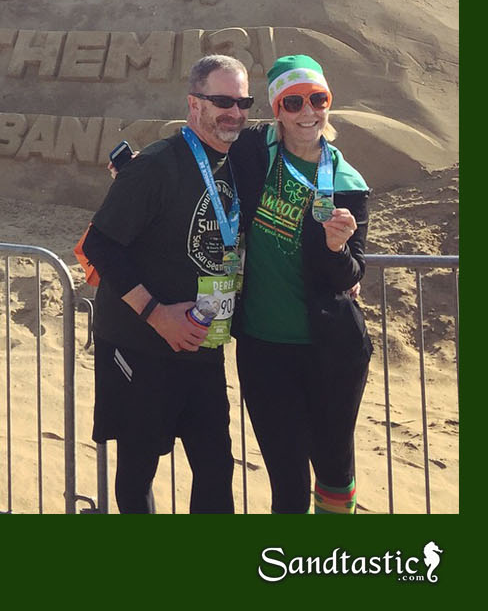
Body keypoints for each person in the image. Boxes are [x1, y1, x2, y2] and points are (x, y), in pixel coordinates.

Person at [81, 54, 254, 513]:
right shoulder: (156, 165)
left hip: (203, 342)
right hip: (141, 342)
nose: (234, 113)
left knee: (215, 466)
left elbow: (303, 130)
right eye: (223, 101)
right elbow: (100, 246)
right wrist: (157, 314)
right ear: (194, 104)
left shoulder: (239, 160)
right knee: (139, 469)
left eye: (243, 102)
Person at [228, 54, 371, 515]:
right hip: (263, 346)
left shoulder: (348, 183)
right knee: (287, 484)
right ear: (277, 111)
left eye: (318, 99)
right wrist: (139, 172)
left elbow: (353, 274)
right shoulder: (253, 151)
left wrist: (337, 249)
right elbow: (201, 140)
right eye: (293, 102)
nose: (308, 111)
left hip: (331, 350)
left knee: (334, 469)